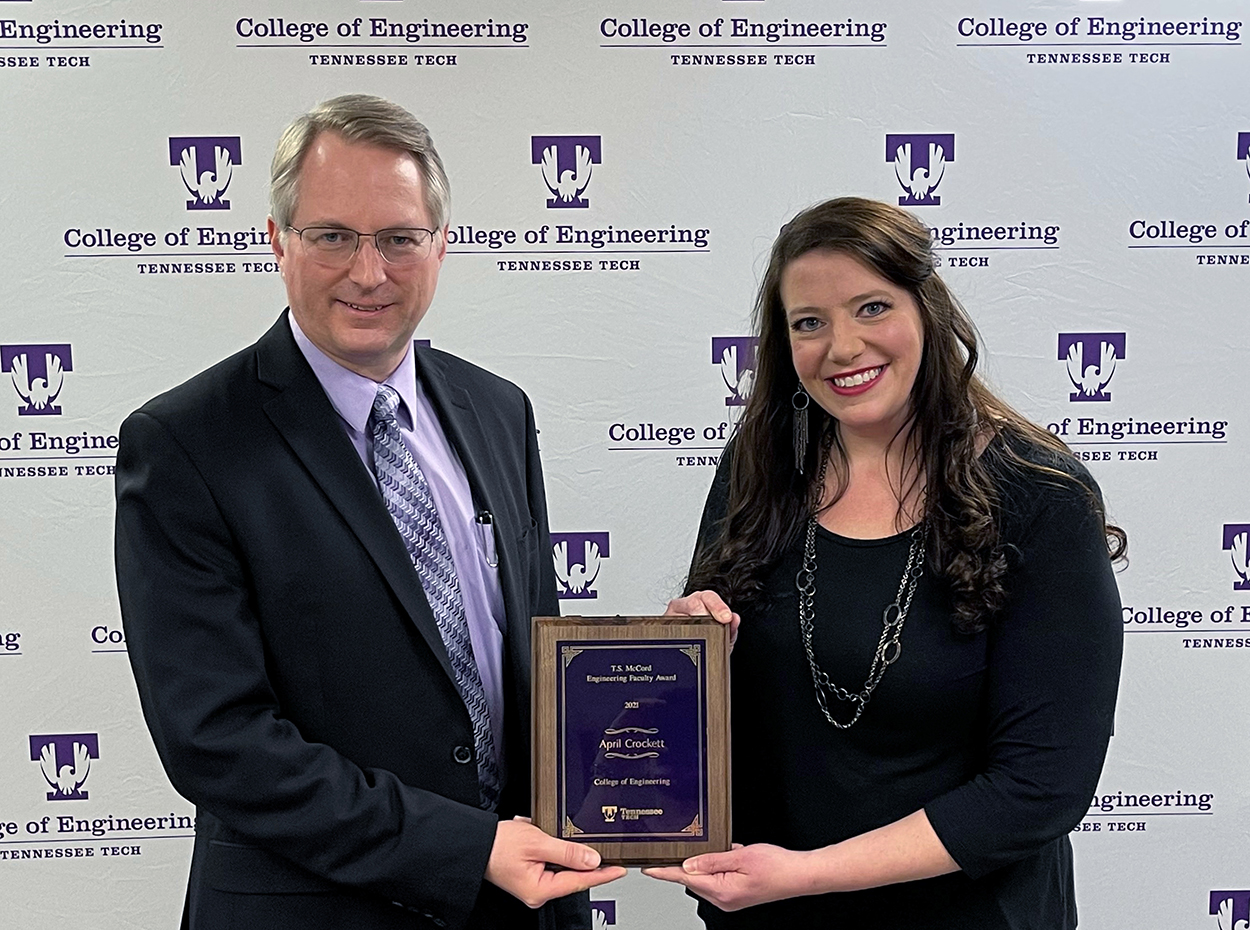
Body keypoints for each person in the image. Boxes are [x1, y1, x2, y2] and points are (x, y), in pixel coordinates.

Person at [114, 94, 624, 930]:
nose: (368, 272)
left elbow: (531, 666)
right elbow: (218, 741)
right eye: (333, 237)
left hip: (519, 905)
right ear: (277, 240)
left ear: (440, 245)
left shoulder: (499, 410)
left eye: (398, 238)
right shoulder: (185, 445)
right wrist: (464, 850)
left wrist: (673, 674)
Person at [648, 197, 1124, 929]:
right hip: (768, 910)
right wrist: (691, 654)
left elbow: (1040, 788)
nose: (842, 347)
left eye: (871, 307)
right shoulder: (758, 467)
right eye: (809, 322)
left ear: (927, 310)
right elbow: (727, 720)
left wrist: (809, 876)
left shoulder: (1038, 493)